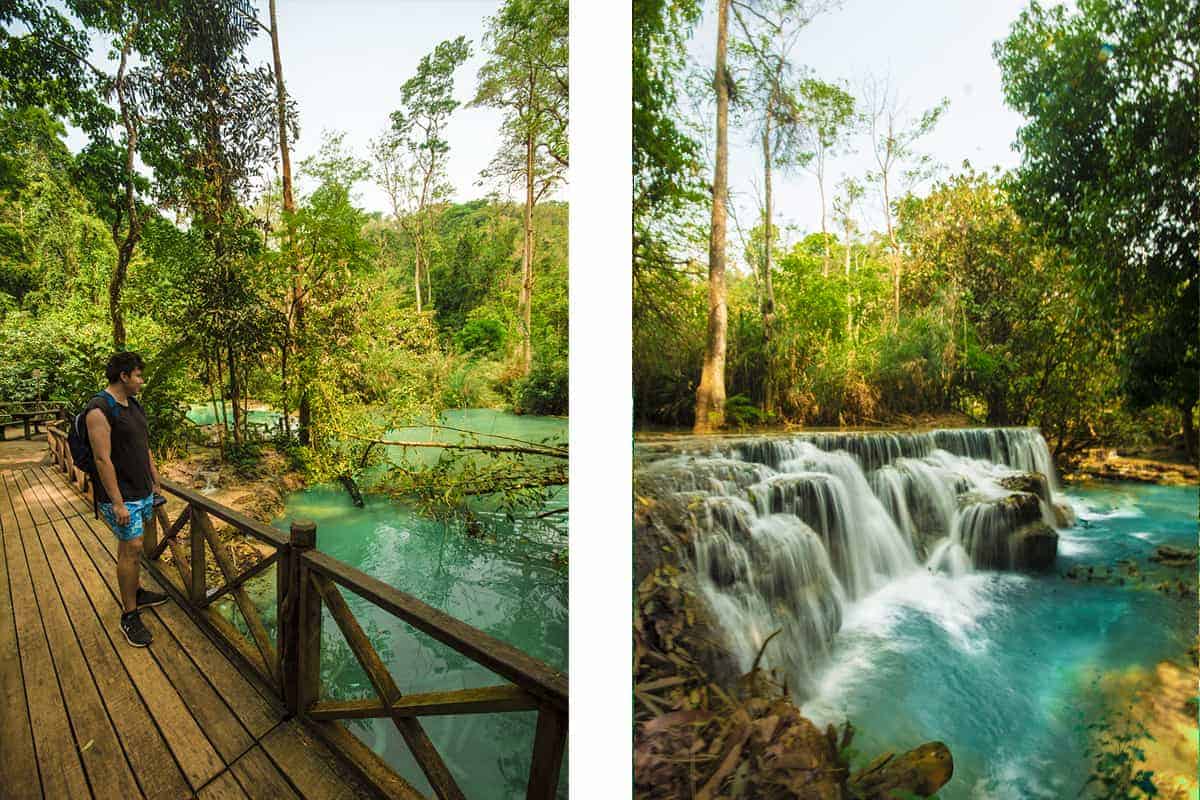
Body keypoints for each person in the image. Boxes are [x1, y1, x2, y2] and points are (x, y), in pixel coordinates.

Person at [86, 351, 168, 647]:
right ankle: (129, 615)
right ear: (123, 376)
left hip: (143, 490)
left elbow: (143, 446)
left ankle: (137, 591)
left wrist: (155, 480)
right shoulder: (99, 409)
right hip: (123, 496)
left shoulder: (133, 405)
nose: (141, 381)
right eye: (138, 376)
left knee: (137, 546)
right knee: (131, 548)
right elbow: (101, 459)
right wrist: (118, 502)